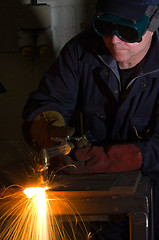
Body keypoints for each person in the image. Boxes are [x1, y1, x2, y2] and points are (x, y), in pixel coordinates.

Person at [22, 0, 159, 239]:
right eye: (105, 27)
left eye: (127, 30)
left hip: (153, 202)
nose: (114, 40)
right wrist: (49, 128)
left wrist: (112, 159)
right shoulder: (81, 50)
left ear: (154, 22)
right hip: (96, 204)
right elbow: (48, 101)